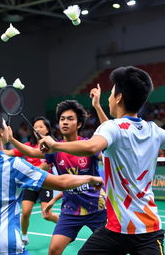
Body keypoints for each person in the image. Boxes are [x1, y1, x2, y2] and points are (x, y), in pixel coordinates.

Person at [39, 66, 165, 255]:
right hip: (123, 229)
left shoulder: (113, 128)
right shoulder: (154, 130)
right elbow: (114, 132)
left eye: (111, 93)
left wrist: (54, 145)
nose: (109, 98)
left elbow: (91, 146)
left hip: (139, 231)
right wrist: (97, 106)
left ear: (119, 97)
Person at [0, 107, 104, 255]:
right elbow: (61, 182)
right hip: (5, 245)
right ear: (1, 132)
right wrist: (89, 179)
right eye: (5, 124)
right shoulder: (14, 165)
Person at [8, 100, 107, 255]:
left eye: (70, 119)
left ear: (79, 124)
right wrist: (12, 139)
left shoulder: (88, 145)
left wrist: (98, 107)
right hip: (70, 211)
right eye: (62, 119)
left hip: (97, 208)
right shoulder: (54, 149)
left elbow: (107, 149)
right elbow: (33, 152)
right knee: (54, 250)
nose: (65, 122)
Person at [4, 116, 58, 246]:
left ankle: (66, 224)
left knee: (47, 214)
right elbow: (9, 152)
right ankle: (24, 236)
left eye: (41, 126)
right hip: (30, 184)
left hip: (45, 182)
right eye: (35, 127)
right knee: (26, 212)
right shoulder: (27, 146)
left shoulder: (53, 146)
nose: (38, 129)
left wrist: (30, 172)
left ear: (47, 129)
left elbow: (45, 166)